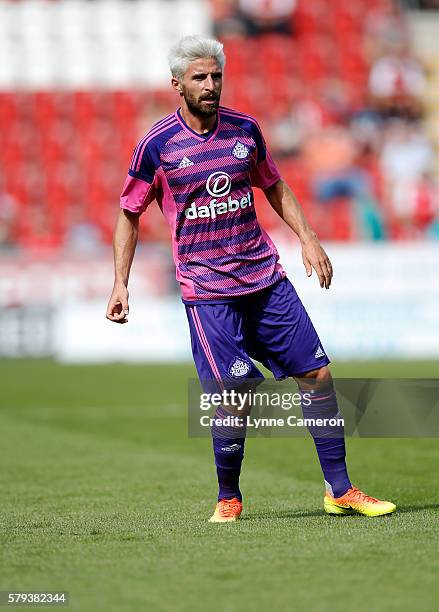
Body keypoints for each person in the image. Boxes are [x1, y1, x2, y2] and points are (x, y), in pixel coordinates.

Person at [106, 35, 396, 522]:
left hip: (265, 278)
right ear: (177, 85)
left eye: (216, 75)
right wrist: (120, 281)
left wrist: (308, 237)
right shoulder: (156, 146)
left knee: (317, 375)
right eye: (199, 77)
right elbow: (129, 212)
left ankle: (340, 490)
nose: (211, 84)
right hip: (208, 291)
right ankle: (228, 496)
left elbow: (274, 185)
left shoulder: (246, 131)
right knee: (235, 396)